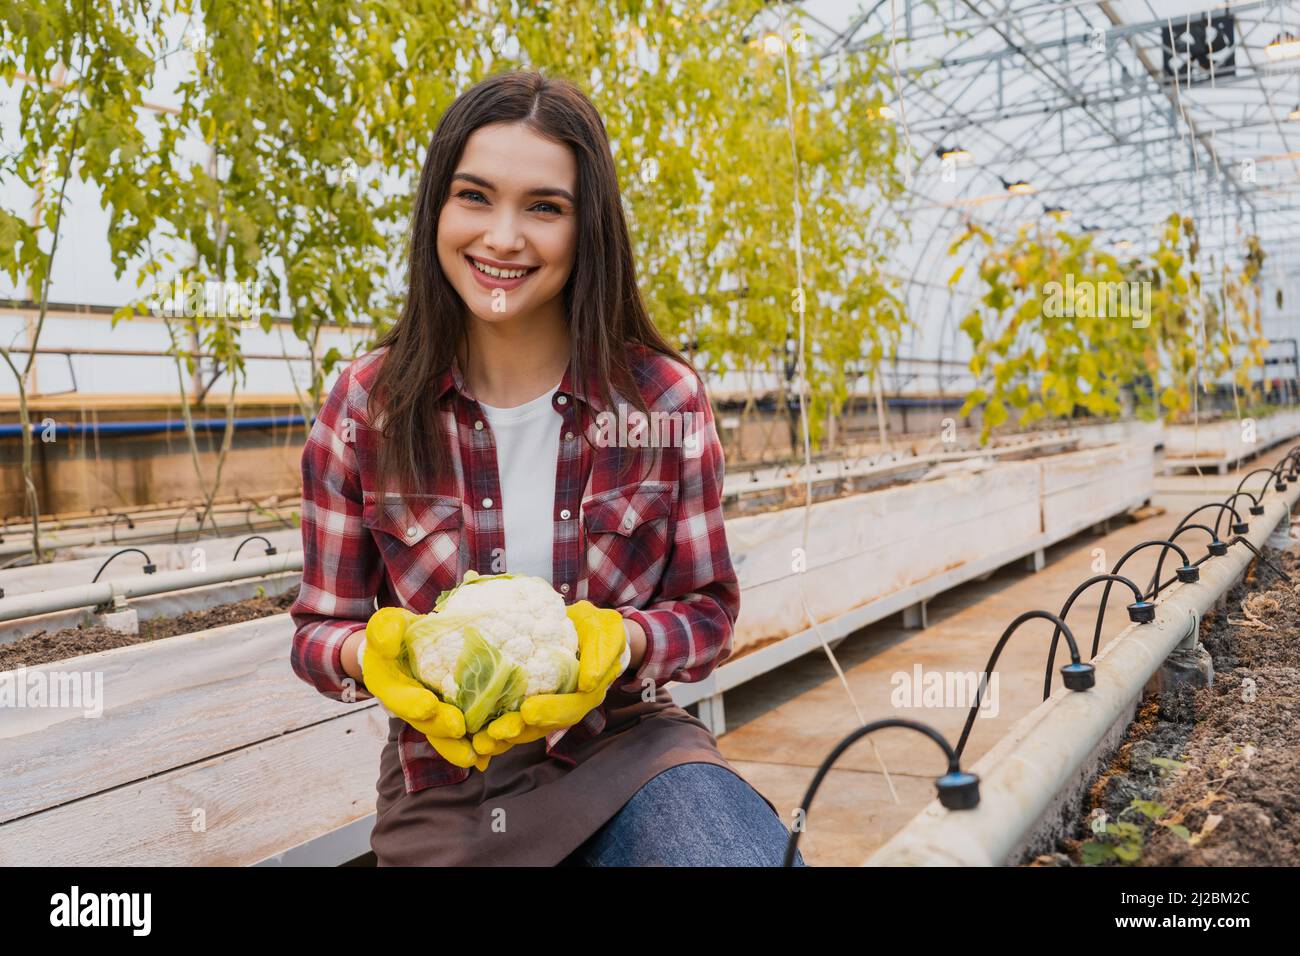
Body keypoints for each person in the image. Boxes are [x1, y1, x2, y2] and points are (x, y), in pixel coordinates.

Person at [289, 70, 804, 867]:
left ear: (587, 227)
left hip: (627, 753)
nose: (502, 237)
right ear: (437, 209)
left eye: (544, 207)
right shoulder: (366, 407)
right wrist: (374, 653)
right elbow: (319, 631)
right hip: (448, 783)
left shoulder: (662, 399)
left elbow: (709, 615)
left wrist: (621, 642)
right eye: (474, 196)